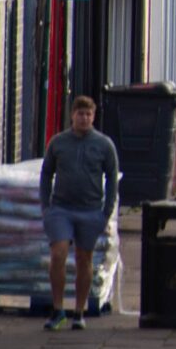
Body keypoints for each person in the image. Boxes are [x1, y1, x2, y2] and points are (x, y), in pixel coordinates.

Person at [38, 96, 118, 331]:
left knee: (85, 258)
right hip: (61, 209)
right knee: (58, 253)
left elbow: (112, 178)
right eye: (80, 114)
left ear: (93, 117)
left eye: (88, 114)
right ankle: (57, 308)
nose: (84, 118)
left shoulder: (104, 145)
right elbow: (46, 174)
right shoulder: (58, 142)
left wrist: (106, 212)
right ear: (72, 115)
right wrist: (46, 207)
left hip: (91, 210)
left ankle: (80, 311)